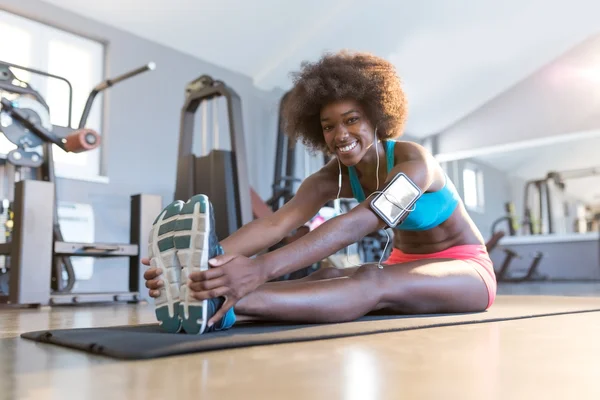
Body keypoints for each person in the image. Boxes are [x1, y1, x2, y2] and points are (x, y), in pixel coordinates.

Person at [142, 50, 497, 335]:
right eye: (329, 126)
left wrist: (260, 268)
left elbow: (360, 222)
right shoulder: (332, 177)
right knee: (325, 276)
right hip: (405, 267)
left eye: (352, 119)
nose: (340, 134)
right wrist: (202, 265)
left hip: (464, 269)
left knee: (370, 278)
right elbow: (275, 225)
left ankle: (223, 303)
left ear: (377, 117)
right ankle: (206, 295)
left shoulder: (415, 163)